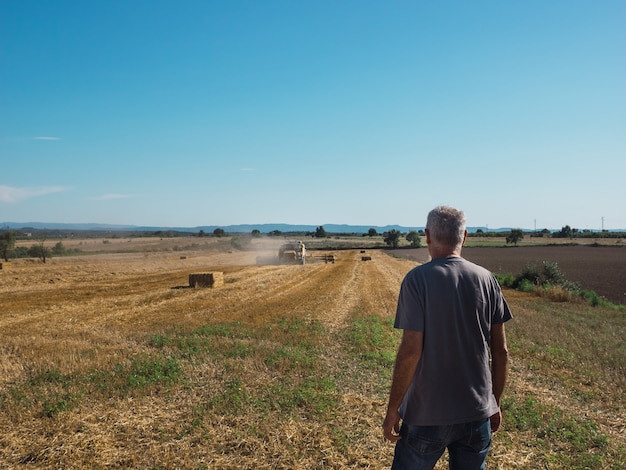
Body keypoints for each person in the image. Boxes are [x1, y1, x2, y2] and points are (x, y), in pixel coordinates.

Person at [383, 206, 512, 470]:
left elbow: (410, 351)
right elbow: (501, 352)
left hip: (425, 417)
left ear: (427, 236)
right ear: (464, 236)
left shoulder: (417, 280)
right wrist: (494, 402)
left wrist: (393, 408)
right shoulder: (487, 279)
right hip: (477, 415)